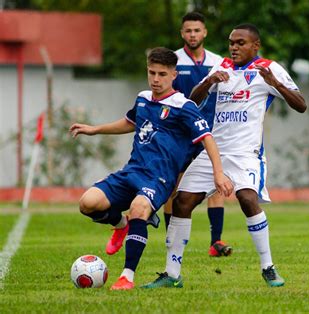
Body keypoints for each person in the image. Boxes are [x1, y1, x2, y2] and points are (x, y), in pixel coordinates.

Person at [141, 23, 306, 289]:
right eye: (231, 42)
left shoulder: (269, 68)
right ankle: (172, 275)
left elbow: (301, 104)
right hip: (215, 150)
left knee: (247, 198)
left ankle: (268, 267)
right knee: (182, 201)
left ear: (256, 46)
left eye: (241, 43)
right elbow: (192, 102)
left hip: (246, 154)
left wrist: (274, 84)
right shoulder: (223, 67)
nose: (234, 47)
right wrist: (208, 82)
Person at [69, 47, 233, 290]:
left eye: (162, 74)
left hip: (159, 179)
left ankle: (127, 276)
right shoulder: (143, 98)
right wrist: (95, 129)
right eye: (152, 73)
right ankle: (120, 225)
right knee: (88, 203)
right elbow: (130, 122)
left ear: (174, 75)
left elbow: (207, 137)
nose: (156, 79)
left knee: (139, 208)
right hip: (132, 171)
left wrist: (218, 174)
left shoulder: (183, 106)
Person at [162, 11, 232, 257]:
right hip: (179, 133)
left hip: (209, 132)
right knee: (175, 186)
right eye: (188, 30)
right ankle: (171, 238)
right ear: (182, 33)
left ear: (205, 32)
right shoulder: (173, 61)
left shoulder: (218, 61)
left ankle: (216, 242)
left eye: (197, 30)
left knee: (216, 183)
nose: (193, 34)